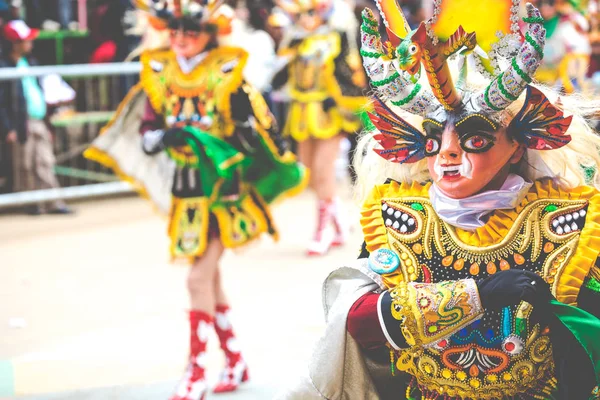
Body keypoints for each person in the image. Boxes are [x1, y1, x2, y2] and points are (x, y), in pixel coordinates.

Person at [283, 1, 600, 399]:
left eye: (475, 140)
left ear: (517, 147)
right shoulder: (398, 217)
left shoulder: (568, 223)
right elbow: (358, 324)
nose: (447, 155)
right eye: (434, 142)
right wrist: (476, 295)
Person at [84, 1, 307, 399]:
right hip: (187, 193)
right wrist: (161, 138)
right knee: (210, 280)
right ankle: (236, 361)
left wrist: (240, 126)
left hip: (225, 193)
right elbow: (148, 131)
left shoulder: (230, 75)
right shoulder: (160, 74)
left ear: (209, 33)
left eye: (190, 31)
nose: (181, 39)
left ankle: (196, 371)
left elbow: (260, 137)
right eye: (174, 31)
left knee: (197, 278)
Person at [272, 0, 368, 256]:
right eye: (301, 14)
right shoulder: (296, 41)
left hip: (329, 112)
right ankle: (339, 225)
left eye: (311, 13)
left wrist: (337, 98)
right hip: (302, 113)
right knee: (309, 175)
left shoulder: (336, 38)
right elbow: (278, 78)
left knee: (324, 173)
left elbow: (352, 74)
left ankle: (322, 232)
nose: (306, 19)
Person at [0, 19, 72, 215]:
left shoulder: (30, 62)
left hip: (37, 119)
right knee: (25, 164)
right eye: (25, 40)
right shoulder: (5, 66)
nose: (30, 43)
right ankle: (32, 203)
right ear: (14, 43)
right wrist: (8, 128)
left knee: (45, 161)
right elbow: (3, 102)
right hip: (20, 123)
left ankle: (53, 202)